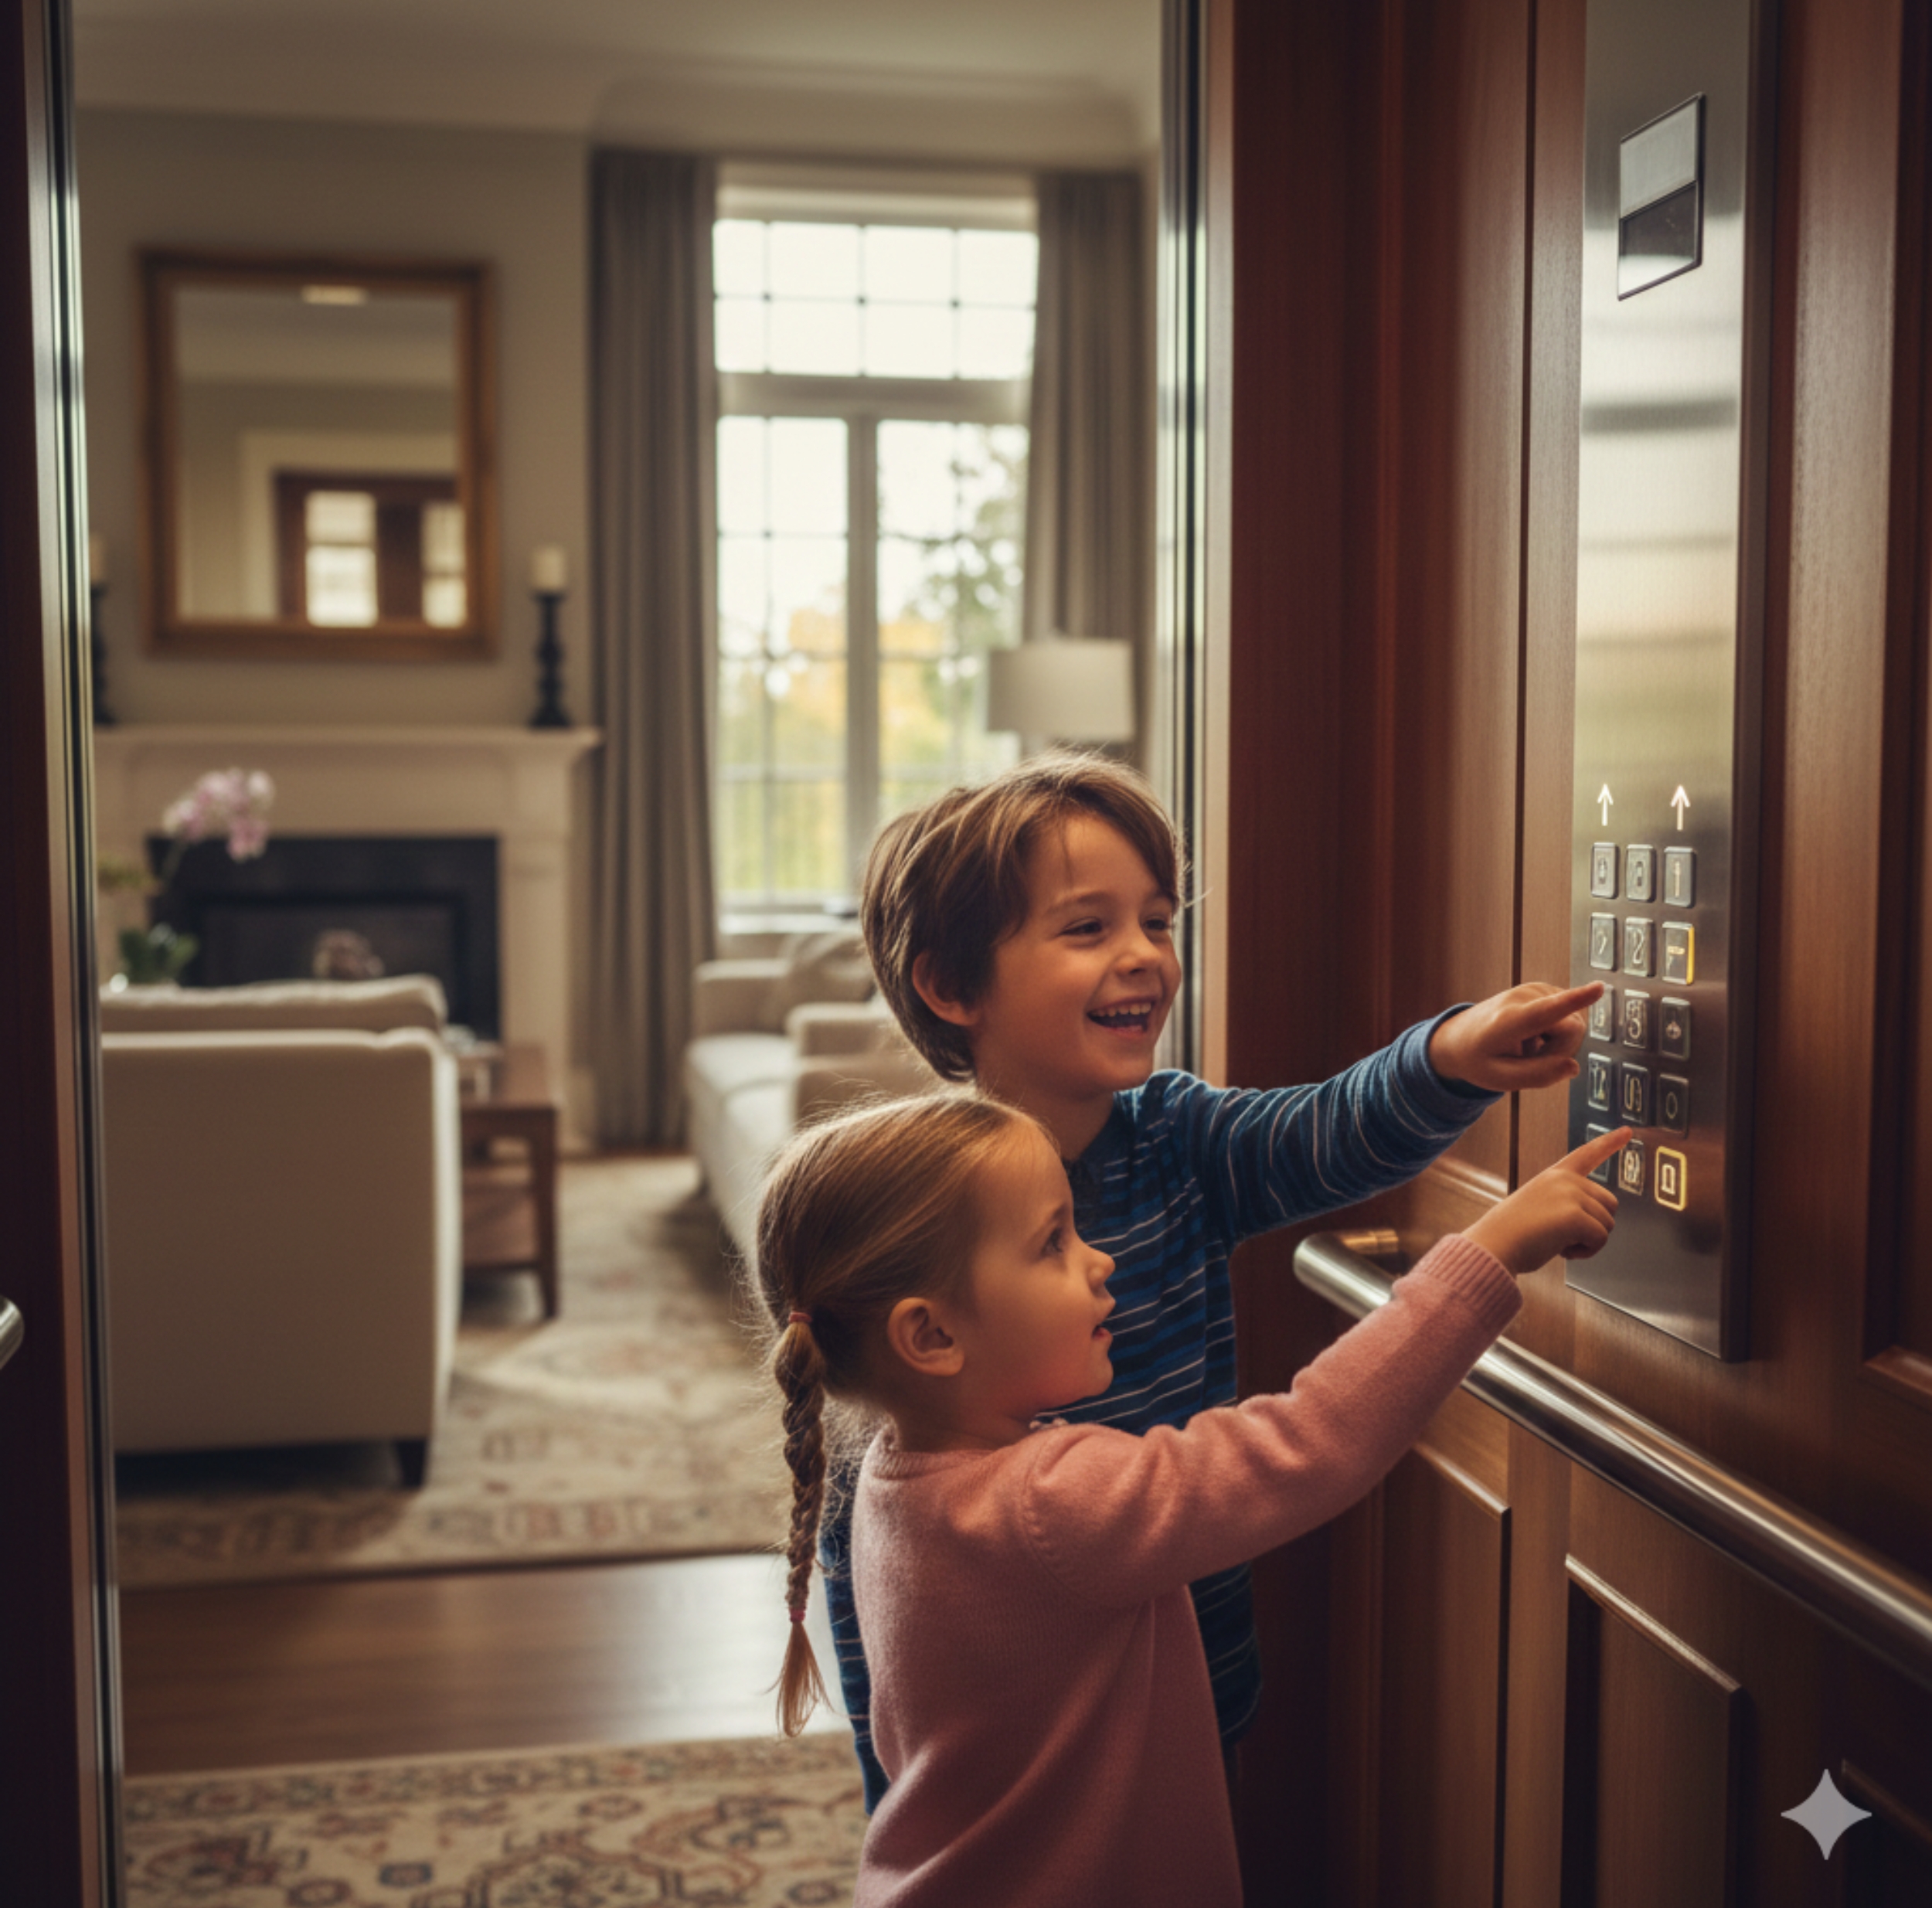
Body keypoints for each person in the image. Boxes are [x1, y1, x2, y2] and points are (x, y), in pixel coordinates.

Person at [816, 751, 1607, 1808]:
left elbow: (1326, 1132)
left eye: (1158, 919)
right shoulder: (917, 1219)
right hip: (1009, 1750)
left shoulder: (1179, 1138)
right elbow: (866, 1561)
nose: (1145, 956)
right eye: (1088, 928)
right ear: (952, 986)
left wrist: (1451, 1054)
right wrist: (897, 1788)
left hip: (1190, 1688)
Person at [759, 1093, 1627, 1907]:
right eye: (1052, 1242)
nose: (1099, 1260)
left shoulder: (889, 1478)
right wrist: (1488, 1251)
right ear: (932, 1336)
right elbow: (1310, 1440)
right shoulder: (1046, 1505)